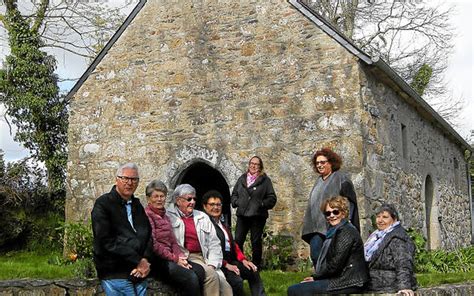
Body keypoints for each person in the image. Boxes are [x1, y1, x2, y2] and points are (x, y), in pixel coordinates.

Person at [91, 163, 152, 295]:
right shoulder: (103, 204)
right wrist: (138, 260)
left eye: (134, 179)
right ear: (116, 179)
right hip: (115, 270)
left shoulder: (137, 205)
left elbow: (148, 234)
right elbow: (106, 241)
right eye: (125, 178)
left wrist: (145, 260)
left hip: (138, 270)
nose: (130, 183)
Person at [287, 196, 368, 296]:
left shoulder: (346, 231)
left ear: (343, 213)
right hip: (342, 277)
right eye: (328, 213)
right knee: (298, 287)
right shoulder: (335, 231)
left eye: (335, 212)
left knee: (295, 290)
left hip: (350, 281)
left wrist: (316, 277)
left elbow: (335, 265)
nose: (332, 215)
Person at [167, 184, 232, 296]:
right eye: (188, 199)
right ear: (178, 201)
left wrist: (212, 263)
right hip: (188, 257)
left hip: (206, 258)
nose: (192, 202)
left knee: (226, 289)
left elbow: (214, 243)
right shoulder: (168, 216)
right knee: (211, 277)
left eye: (194, 199)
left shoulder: (202, 216)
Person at [301, 147, 359, 269]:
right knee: (316, 255)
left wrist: (346, 222)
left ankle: (330, 281)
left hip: (335, 226)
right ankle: (319, 278)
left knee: (334, 257)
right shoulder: (318, 181)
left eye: (323, 162)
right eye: (317, 163)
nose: (319, 165)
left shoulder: (340, 178)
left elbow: (350, 203)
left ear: (331, 163)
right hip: (316, 228)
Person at [144, 180, 205, 296]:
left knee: (200, 271)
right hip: (157, 260)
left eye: (162, 196)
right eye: (156, 196)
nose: (159, 199)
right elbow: (154, 244)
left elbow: (173, 242)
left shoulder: (165, 216)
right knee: (190, 277)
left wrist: (181, 258)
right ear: (148, 199)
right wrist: (175, 259)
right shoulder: (147, 215)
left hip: (171, 257)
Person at [203, 190, 266, 296]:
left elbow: (233, 245)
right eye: (212, 204)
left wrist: (244, 260)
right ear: (205, 207)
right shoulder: (205, 225)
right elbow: (206, 251)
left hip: (231, 260)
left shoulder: (223, 223)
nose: (216, 207)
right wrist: (226, 264)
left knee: (253, 270)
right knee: (237, 282)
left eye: (218, 204)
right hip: (219, 264)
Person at [231, 156, 277, 269]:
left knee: (255, 241)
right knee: (238, 240)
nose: (253, 166)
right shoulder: (242, 179)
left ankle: (256, 266)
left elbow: (272, 198)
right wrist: (237, 202)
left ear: (260, 167)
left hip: (257, 215)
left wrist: (261, 204)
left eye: (256, 164)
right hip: (242, 214)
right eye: (251, 163)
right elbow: (234, 194)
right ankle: (240, 263)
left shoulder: (265, 181)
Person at [364, 204, 417, 295]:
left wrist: (404, 287)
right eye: (378, 217)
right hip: (375, 286)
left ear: (394, 219)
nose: (380, 220)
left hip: (390, 287)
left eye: (385, 217)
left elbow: (403, 262)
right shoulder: (376, 236)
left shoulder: (398, 237)